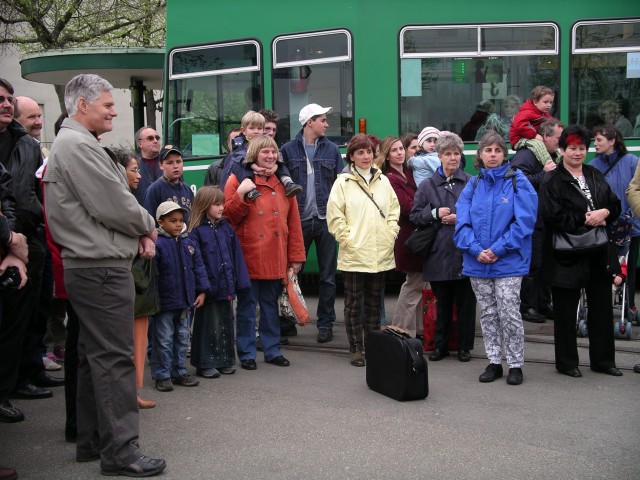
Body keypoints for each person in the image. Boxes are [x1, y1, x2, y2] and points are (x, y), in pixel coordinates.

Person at [43, 73, 165, 476]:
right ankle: (121, 452)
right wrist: (147, 226)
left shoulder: (73, 142)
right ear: (82, 105)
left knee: (95, 356)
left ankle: (94, 442)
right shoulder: (78, 144)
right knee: (114, 358)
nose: (115, 111)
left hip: (92, 265)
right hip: (100, 268)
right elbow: (114, 204)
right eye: (108, 105)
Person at [454, 132, 537, 385]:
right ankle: (494, 362)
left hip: (509, 261)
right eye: (487, 150)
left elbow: (524, 223)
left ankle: (515, 364)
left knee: (509, 312)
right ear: (479, 155)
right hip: (478, 262)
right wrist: (477, 249)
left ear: (504, 154)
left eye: (497, 150)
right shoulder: (474, 184)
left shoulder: (518, 181)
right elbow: (462, 224)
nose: (492, 154)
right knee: (488, 314)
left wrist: (497, 250)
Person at [540, 124, 623, 378]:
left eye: (582, 148)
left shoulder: (594, 174)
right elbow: (552, 216)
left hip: (597, 252)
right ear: (562, 149)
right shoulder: (553, 180)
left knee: (601, 308)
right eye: (572, 148)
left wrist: (605, 213)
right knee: (565, 311)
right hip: (566, 255)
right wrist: (588, 218)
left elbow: (614, 204)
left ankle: (603, 361)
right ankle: (567, 362)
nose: (578, 153)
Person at [224, 135, 306, 370]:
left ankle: (272, 350)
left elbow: (294, 223)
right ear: (254, 155)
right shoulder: (236, 179)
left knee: (271, 306)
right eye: (265, 152)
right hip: (248, 253)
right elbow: (228, 217)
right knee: (248, 307)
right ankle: (247, 353)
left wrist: (296, 257)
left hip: (275, 253)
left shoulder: (284, 183)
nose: (270, 156)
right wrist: (241, 195)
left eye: (273, 152)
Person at [0, 78, 53, 406]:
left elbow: (28, 194)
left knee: (31, 314)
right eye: (1, 99)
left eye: (8, 98)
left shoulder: (28, 146)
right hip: (10, 241)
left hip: (29, 239)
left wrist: (23, 238)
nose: (6, 104)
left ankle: (24, 375)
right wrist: (9, 239)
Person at [327, 134, 400, 366]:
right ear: (351, 157)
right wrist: (347, 240)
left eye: (369, 152)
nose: (366, 156)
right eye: (360, 152)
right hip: (355, 253)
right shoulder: (342, 183)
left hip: (380, 252)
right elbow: (335, 215)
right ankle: (356, 347)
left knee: (373, 305)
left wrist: (391, 233)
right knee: (353, 304)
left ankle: (372, 345)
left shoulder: (383, 181)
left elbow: (393, 210)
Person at [411, 133, 476, 362]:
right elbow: (415, 216)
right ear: (439, 156)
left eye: (456, 153)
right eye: (448, 154)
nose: (452, 158)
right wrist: (434, 214)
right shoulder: (428, 185)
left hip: (465, 253)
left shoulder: (470, 181)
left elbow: (482, 214)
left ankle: (465, 347)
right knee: (443, 304)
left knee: (466, 304)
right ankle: (440, 346)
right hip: (438, 253)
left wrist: (461, 218)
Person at [280, 103, 342, 343]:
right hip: (298, 222)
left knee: (328, 276)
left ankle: (325, 324)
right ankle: (286, 321)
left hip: (326, 221)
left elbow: (340, 183)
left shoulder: (332, 149)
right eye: (323, 120)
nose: (326, 124)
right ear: (309, 123)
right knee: (291, 274)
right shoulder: (286, 149)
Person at [188, 186, 250, 378]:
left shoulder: (226, 228)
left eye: (222, 203)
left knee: (224, 323)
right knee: (207, 326)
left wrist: (241, 282)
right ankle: (205, 362)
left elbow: (236, 257)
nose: (222, 207)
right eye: (216, 204)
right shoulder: (197, 232)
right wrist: (202, 289)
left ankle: (224, 360)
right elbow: (197, 264)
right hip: (209, 289)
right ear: (205, 206)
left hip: (225, 286)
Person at [114, 148, 159, 409]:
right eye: (134, 170)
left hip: (139, 283)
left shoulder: (131, 196)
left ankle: (134, 390)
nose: (139, 175)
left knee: (138, 339)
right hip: (126, 279)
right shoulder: (119, 200)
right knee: (127, 340)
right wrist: (145, 232)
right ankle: (126, 393)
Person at [151, 201, 210, 392]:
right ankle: (162, 375)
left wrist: (201, 291)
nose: (178, 224)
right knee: (164, 340)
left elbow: (198, 268)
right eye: (172, 221)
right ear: (161, 223)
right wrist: (155, 301)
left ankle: (179, 370)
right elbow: (153, 276)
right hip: (166, 304)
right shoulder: (158, 244)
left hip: (185, 302)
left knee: (183, 338)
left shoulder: (188, 242)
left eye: (180, 220)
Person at [510, 118, 564, 323]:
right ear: (546, 137)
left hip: (547, 220)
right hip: (532, 220)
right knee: (533, 264)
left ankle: (543, 303)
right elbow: (515, 180)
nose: (561, 142)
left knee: (546, 264)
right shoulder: (528, 154)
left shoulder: (552, 155)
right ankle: (528, 306)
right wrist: (544, 173)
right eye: (559, 138)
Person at [591, 124, 640, 314]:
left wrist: (632, 214)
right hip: (604, 225)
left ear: (612, 141)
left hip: (630, 224)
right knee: (604, 265)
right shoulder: (593, 165)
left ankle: (629, 304)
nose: (594, 144)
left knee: (629, 267)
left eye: (599, 140)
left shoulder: (631, 161)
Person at [380, 136, 424, 339]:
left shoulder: (408, 172)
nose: (400, 153)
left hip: (417, 235)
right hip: (407, 236)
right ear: (387, 155)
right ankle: (399, 328)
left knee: (419, 284)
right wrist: (429, 208)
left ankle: (416, 331)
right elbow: (407, 207)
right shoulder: (390, 178)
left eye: (401, 149)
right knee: (413, 283)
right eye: (394, 150)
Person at [220, 110, 302, 199]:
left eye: (259, 129)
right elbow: (240, 155)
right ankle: (249, 189)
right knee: (240, 166)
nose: (256, 131)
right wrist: (255, 167)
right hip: (243, 170)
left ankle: (288, 182)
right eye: (252, 128)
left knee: (281, 164)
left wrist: (276, 166)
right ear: (243, 130)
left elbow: (277, 154)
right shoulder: (240, 142)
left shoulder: (265, 142)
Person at [144, 145, 193, 225]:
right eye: (170, 163)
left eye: (178, 161)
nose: (175, 166)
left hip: (186, 236)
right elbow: (149, 223)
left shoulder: (187, 189)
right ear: (161, 165)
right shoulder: (154, 190)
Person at [509, 86, 555, 165]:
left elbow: (553, 123)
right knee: (538, 144)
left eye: (550, 102)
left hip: (530, 138)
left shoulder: (543, 114)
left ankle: (561, 162)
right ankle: (549, 165)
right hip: (519, 139)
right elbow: (520, 125)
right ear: (536, 102)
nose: (549, 105)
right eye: (545, 102)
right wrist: (534, 135)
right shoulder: (527, 112)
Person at [134, 126, 162, 204]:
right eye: (150, 138)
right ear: (140, 144)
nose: (155, 141)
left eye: (157, 138)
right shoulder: (133, 165)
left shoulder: (167, 162)